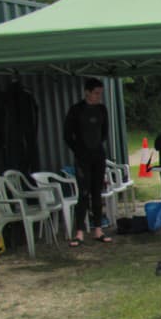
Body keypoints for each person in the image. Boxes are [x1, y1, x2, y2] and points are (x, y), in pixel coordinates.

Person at [64, 77, 112, 246]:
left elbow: (104, 132)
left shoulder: (101, 109)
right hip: (82, 158)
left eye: (100, 93)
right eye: (96, 93)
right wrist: (79, 150)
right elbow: (67, 135)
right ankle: (79, 233)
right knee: (83, 194)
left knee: (97, 193)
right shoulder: (76, 110)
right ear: (87, 92)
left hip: (98, 155)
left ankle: (98, 229)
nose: (99, 96)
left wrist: (96, 146)